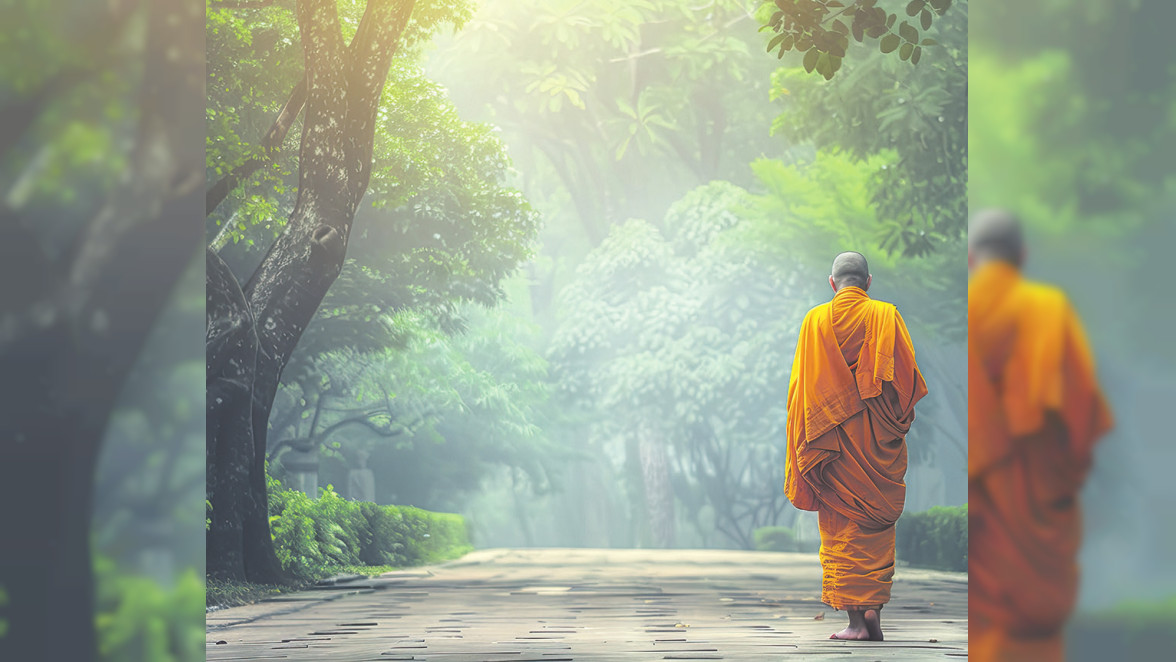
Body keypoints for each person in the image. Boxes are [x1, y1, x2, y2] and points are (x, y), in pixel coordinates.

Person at [967, 209, 1113, 661]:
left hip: (983, 516)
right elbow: (1082, 419)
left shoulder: (965, 309)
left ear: (971, 258)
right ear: (1024, 256)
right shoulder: (1049, 309)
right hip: (1037, 511)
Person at [785, 251, 928, 641]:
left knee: (842, 529)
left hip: (833, 448)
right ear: (868, 282)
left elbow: (801, 392)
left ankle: (854, 622)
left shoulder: (815, 321)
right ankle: (872, 612)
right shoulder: (885, 315)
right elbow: (908, 382)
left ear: (832, 283)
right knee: (873, 531)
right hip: (876, 444)